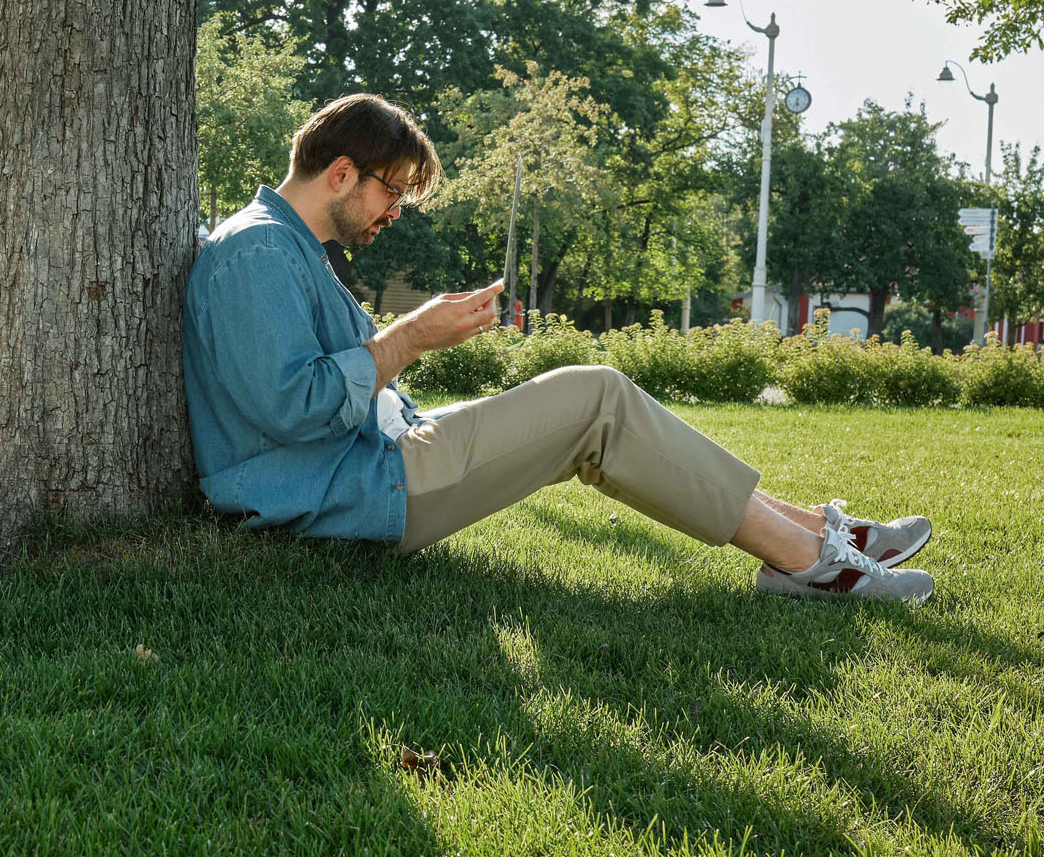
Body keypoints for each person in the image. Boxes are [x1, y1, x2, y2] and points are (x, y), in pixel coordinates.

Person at [182, 93, 934, 602]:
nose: (395, 213)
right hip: (349, 490)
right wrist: (411, 337)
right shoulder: (257, 253)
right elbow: (293, 408)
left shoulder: (287, 250)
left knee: (594, 406)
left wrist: (410, 344)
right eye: (391, 192)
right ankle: (810, 563)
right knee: (594, 396)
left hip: (375, 463)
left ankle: (815, 534)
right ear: (340, 173)